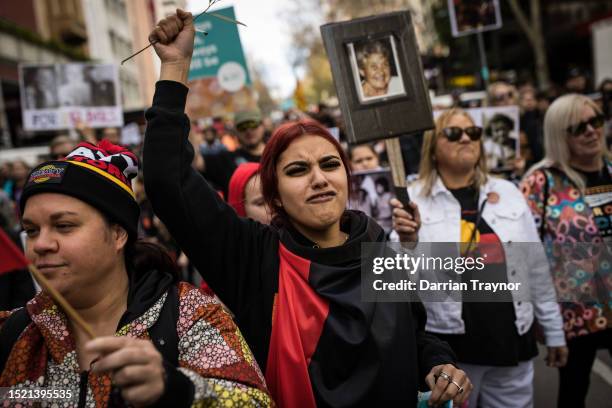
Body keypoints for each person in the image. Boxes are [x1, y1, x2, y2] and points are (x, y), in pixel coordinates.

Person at [143, 10, 471, 406]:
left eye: (330, 164)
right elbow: (166, 178)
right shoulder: (253, 258)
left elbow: (415, 336)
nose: (319, 178)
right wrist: (175, 67)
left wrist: (440, 364)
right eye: (298, 170)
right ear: (275, 195)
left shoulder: (377, 247)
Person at [0, 140, 271, 406]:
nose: (41, 244)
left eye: (64, 225)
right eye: (32, 230)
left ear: (118, 235)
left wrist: (179, 390)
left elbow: (255, 402)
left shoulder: (189, 315)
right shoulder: (16, 332)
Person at [392, 107, 567, 408]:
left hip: (511, 344)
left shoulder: (508, 191)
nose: (465, 138)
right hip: (452, 352)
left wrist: (554, 331)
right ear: (432, 147)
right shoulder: (412, 201)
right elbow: (397, 281)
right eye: (453, 133)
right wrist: (409, 242)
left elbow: (535, 267)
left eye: (472, 132)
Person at [521, 94, 612, 408]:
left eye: (595, 121)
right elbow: (524, 252)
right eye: (578, 127)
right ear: (560, 135)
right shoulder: (540, 182)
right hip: (575, 312)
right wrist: (538, 315)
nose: (591, 131)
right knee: (574, 391)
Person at [202, 109, 266, 197]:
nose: (248, 130)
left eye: (253, 124)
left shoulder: (278, 154)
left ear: (263, 126)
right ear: (235, 131)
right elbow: (197, 162)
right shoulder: (226, 159)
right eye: (242, 126)